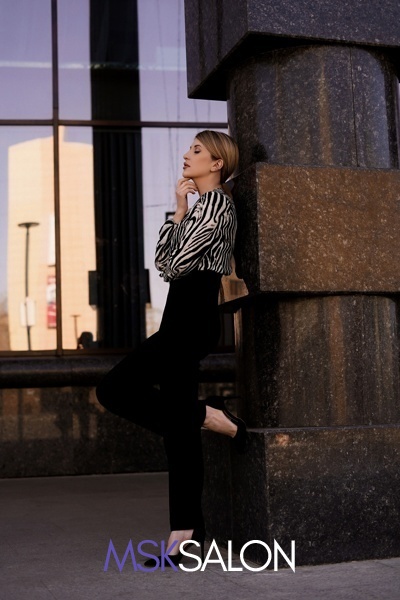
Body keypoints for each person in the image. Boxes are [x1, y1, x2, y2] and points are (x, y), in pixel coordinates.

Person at [95, 129, 247, 568]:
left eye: (197, 150)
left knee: (113, 389)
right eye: (189, 149)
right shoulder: (197, 208)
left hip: (192, 321)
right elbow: (164, 264)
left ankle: (206, 416)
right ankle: (187, 534)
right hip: (177, 320)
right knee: (178, 430)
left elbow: (177, 264)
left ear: (217, 163)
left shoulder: (218, 205)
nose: (186, 155)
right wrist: (179, 211)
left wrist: (182, 225)